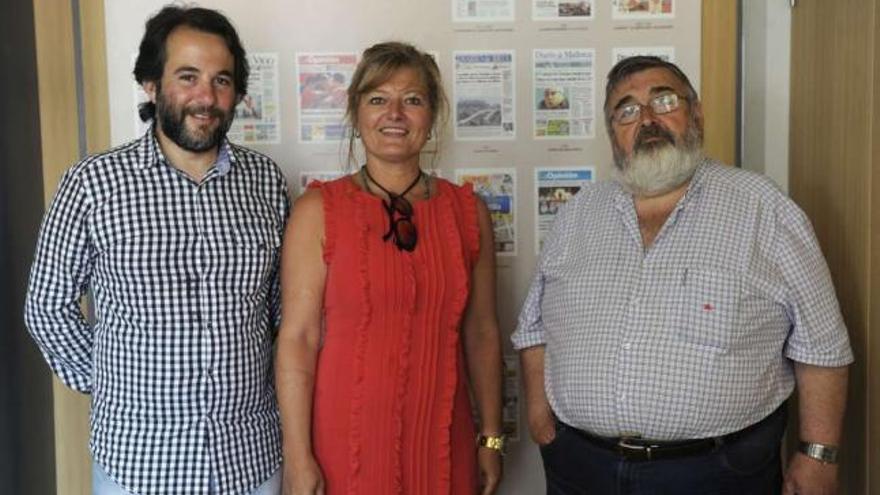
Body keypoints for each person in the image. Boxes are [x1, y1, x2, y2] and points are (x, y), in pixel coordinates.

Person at [512, 55, 853, 494]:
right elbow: (533, 328)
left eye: (664, 100)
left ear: (697, 113)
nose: (648, 119)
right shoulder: (578, 214)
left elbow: (822, 344)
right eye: (627, 110)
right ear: (613, 133)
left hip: (716, 473)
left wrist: (819, 455)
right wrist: (542, 419)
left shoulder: (763, 208)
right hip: (581, 467)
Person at [24, 6, 289, 495]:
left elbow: (282, 307)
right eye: (187, 76)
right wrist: (112, 384)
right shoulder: (91, 185)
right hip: (140, 462)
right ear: (150, 83)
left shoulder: (265, 182)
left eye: (222, 80)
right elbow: (46, 307)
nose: (206, 97)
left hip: (250, 458)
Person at [276, 41, 504, 495]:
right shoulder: (319, 209)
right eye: (378, 99)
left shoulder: (467, 211)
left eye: (413, 100)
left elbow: (481, 332)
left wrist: (492, 437)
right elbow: (298, 339)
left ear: (432, 116)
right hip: (344, 445)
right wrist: (298, 456)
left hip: (446, 438)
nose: (394, 114)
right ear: (357, 116)